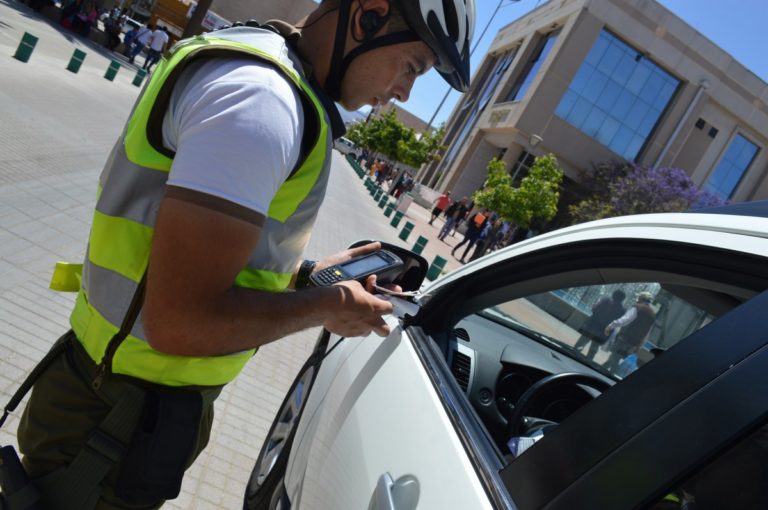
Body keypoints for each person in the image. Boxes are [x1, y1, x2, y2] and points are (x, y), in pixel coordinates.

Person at [8, 1, 476, 509]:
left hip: (121, 403)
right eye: (412, 67)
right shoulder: (262, 102)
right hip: (111, 423)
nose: (405, 91)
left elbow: (194, 255)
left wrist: (307, 276)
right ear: (370, 15)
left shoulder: (266, 71)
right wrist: (328, 306)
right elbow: (179, 321)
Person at [604, 291, 657, 372]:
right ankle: (601, 368)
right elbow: (647, 333)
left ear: (641, 298)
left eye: (639, 297)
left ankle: (611, 374)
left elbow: (625, 320)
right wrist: (640, 345)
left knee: (615, 356)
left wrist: (610, 326)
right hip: (634, 343)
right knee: (615, 356)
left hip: (625, 338)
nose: (637, 299)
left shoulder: (638, 307)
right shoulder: (653, 315)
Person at [574, 289, 626, 360]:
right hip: (604, 331)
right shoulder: (622, 310)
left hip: (593, 325)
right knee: (595, 346)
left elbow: (594, 309)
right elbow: (619, 322)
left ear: (613, 294)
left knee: (583, 340)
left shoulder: (605, 300)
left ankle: (574, 353)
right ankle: (588, 360)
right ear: (623, 299)